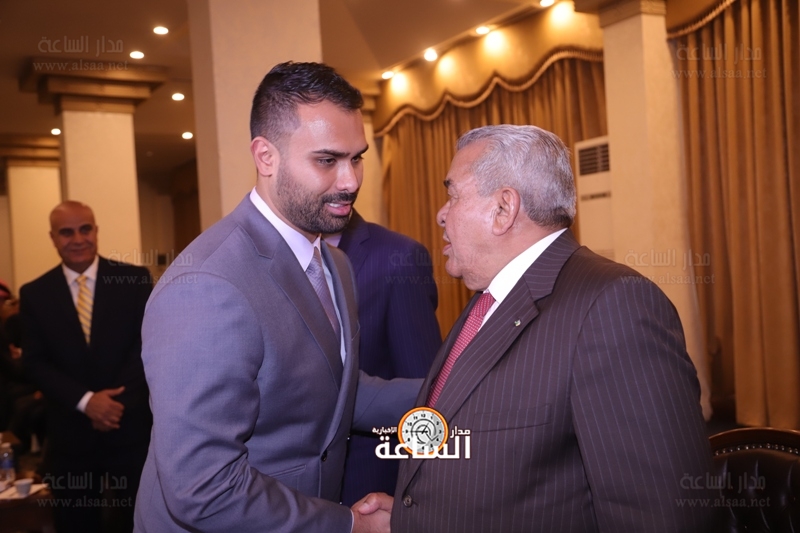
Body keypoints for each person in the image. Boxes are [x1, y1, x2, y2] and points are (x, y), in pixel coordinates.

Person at [385, 125, 716, 532]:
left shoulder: (613, 305)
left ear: (504, 208)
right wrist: (411, 517)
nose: (441, 213)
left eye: (453, 195)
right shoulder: (491, 298)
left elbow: (661, 514)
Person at [134, 61, 418, 533]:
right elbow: (204, 489)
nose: (350, 181)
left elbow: (334, 392)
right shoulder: (206, 286)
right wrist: (350, 525)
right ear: (266, 157)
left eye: (357, 158)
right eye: (327, 160)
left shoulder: (334, 263)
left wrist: (458, 390)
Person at [20, 201, 153, 533]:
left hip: (130, 429)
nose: (78, 239)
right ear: (53, 238)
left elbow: (148, 347)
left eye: (85, 229)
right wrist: (86, 402)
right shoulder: (35, 294)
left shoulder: (134, 280)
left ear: (96, 231)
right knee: (75, 523)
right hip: (70, 435)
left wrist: (112, 406)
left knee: (141, 521)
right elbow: (35, 363)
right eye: (67, 232)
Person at [327, 209, 441, 505]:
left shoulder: (398, 258)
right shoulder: (272, 258)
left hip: (368, 490)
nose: (347, 185)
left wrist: (421, 508)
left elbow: (426, 401)